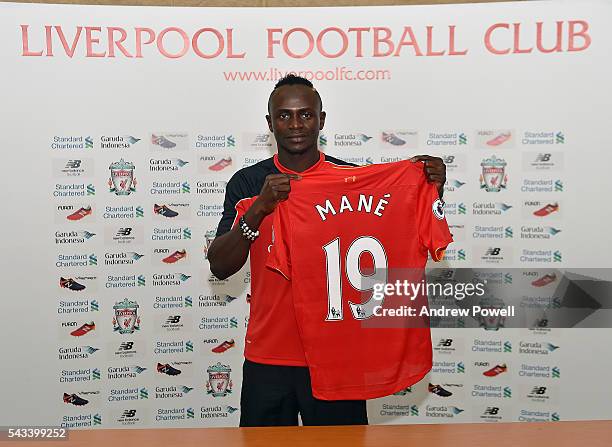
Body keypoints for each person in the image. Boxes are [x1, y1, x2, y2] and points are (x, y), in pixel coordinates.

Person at [207, 74, 446, 427]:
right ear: (269, 123)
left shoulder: (351, 179)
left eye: (305, 114)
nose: (295, 124)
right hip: (270, 357)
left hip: (340, 355)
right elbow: (220, 265)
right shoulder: (246, 182)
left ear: (322, 119)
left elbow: (399, 239)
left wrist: (430, 188)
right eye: (284, 116)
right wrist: (259, 208)